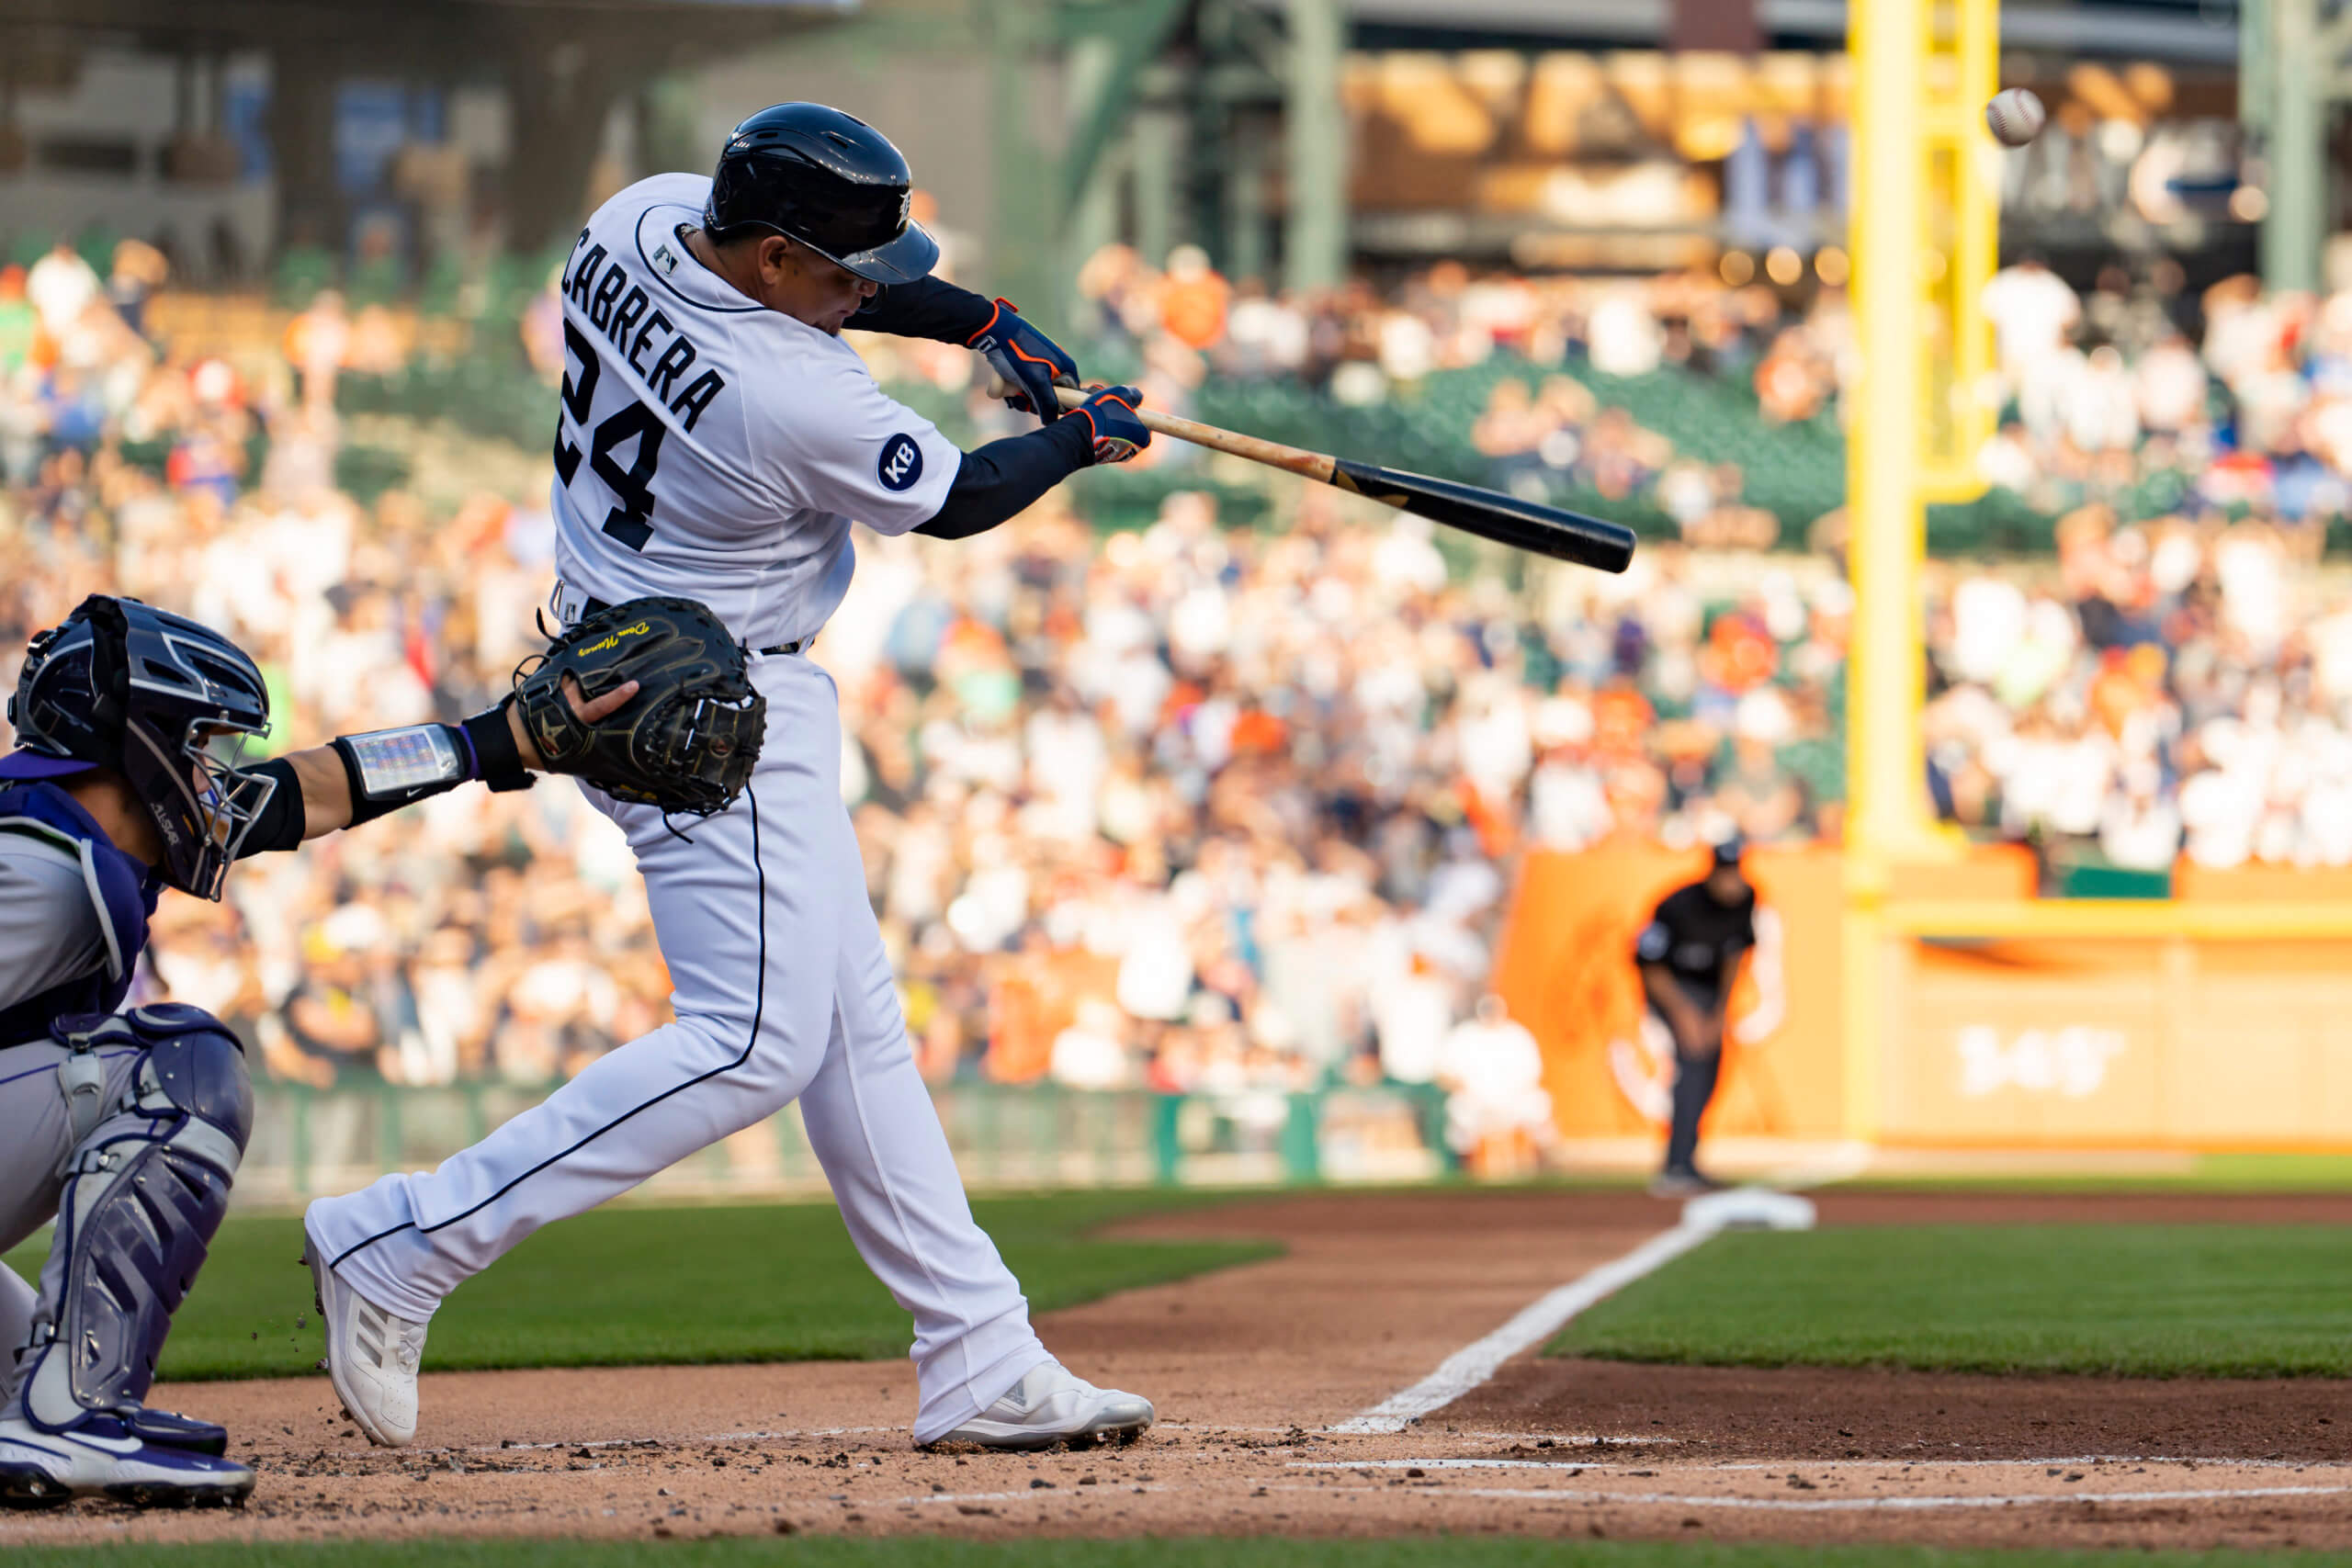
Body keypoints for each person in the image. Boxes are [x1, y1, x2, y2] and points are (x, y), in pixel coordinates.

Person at [300, 103, 1158, 1456]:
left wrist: (986, 321)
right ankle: (404, 1239)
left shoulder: (639, 213)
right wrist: (1079, 434)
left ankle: (979, 1352)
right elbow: (957, 498)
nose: (867, 292)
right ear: (767, 255)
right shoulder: (791, 390)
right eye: (842, 272)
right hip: (706, 702)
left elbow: (838, 299)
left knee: (851, 1022)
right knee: (756, 1038)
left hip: (619, 637)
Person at [0, 594, 634, 1507]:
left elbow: (314, 788)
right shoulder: (40, 869)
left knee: (20, 1374)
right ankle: (67, 1420)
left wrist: (497, 742)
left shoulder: (80, 830)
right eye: (205, 748)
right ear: (139, 744)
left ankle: (51, 1412)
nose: (220, 776)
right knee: (178, 1068)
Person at [1634, 837, 1757, 1196]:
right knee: (1692, 1060)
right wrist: (1684, 1015)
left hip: (1708, 992)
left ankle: (1687, 1157)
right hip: (1670, 987)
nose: (1731, 882)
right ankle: (1676, 1165)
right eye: (1725, 874)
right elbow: (1650, 966)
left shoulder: (1746, 900)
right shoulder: (1677, 905)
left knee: (1711, 1065)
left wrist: (1720, 1013)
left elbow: (1735, 958)